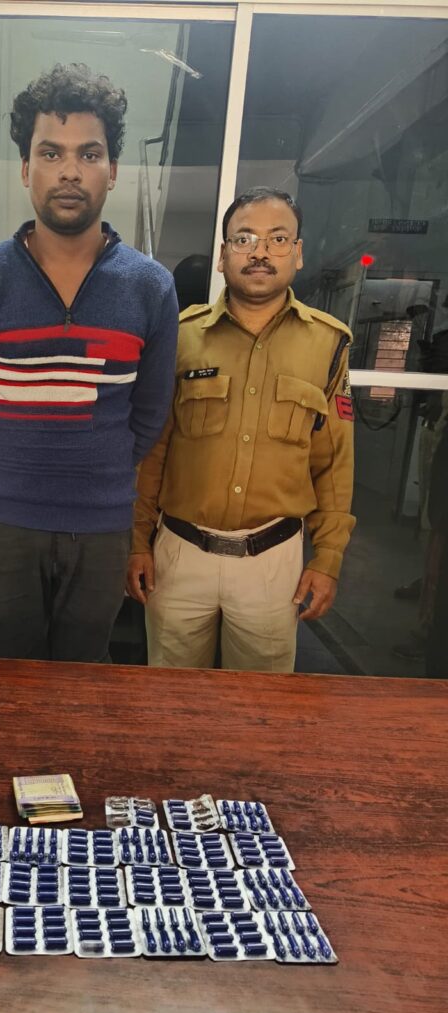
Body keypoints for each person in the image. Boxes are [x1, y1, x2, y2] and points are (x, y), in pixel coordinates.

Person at [0, 63, 178, 662]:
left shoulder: (150, 287)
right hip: (5, 526)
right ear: (26, 168)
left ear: (112, 170)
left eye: (88, 154)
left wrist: (97, 472)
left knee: (82, 685)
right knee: (7, 686)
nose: (70, 171)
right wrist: (9, 473)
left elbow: (150, 412)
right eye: (51, 153)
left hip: (102, 529)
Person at [127, 186, 355, 672]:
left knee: (260, 705)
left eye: (278, 239)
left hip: (272, 565)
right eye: (244, 238)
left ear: (298, 253)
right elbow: (153, 452)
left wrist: (328, 557)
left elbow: (333, 462)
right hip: (179, 557)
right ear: (223, 254)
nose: (260, 252)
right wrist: (137, 541)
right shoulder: (180, 337)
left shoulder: (328, 343)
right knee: (171, 697)